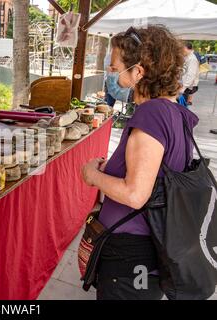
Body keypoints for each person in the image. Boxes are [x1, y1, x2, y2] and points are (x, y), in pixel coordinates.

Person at [81, 25, 199, 300]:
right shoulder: (173, 111)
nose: (111, 74)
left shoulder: (151, 115)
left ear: (139, 72)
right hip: (147, 251)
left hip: (132, 256)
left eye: (114, 68)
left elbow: (135, 195)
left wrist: (92, 175)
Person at [181, 41, 200, 106]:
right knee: (183, 103)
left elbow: (191, 75)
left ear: (187, 48)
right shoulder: (187, 57)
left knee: (183, 104)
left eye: (183, 49)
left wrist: (184, 87)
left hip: (188, 86)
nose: (181, 51)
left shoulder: (192, 59)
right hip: (185, 85)